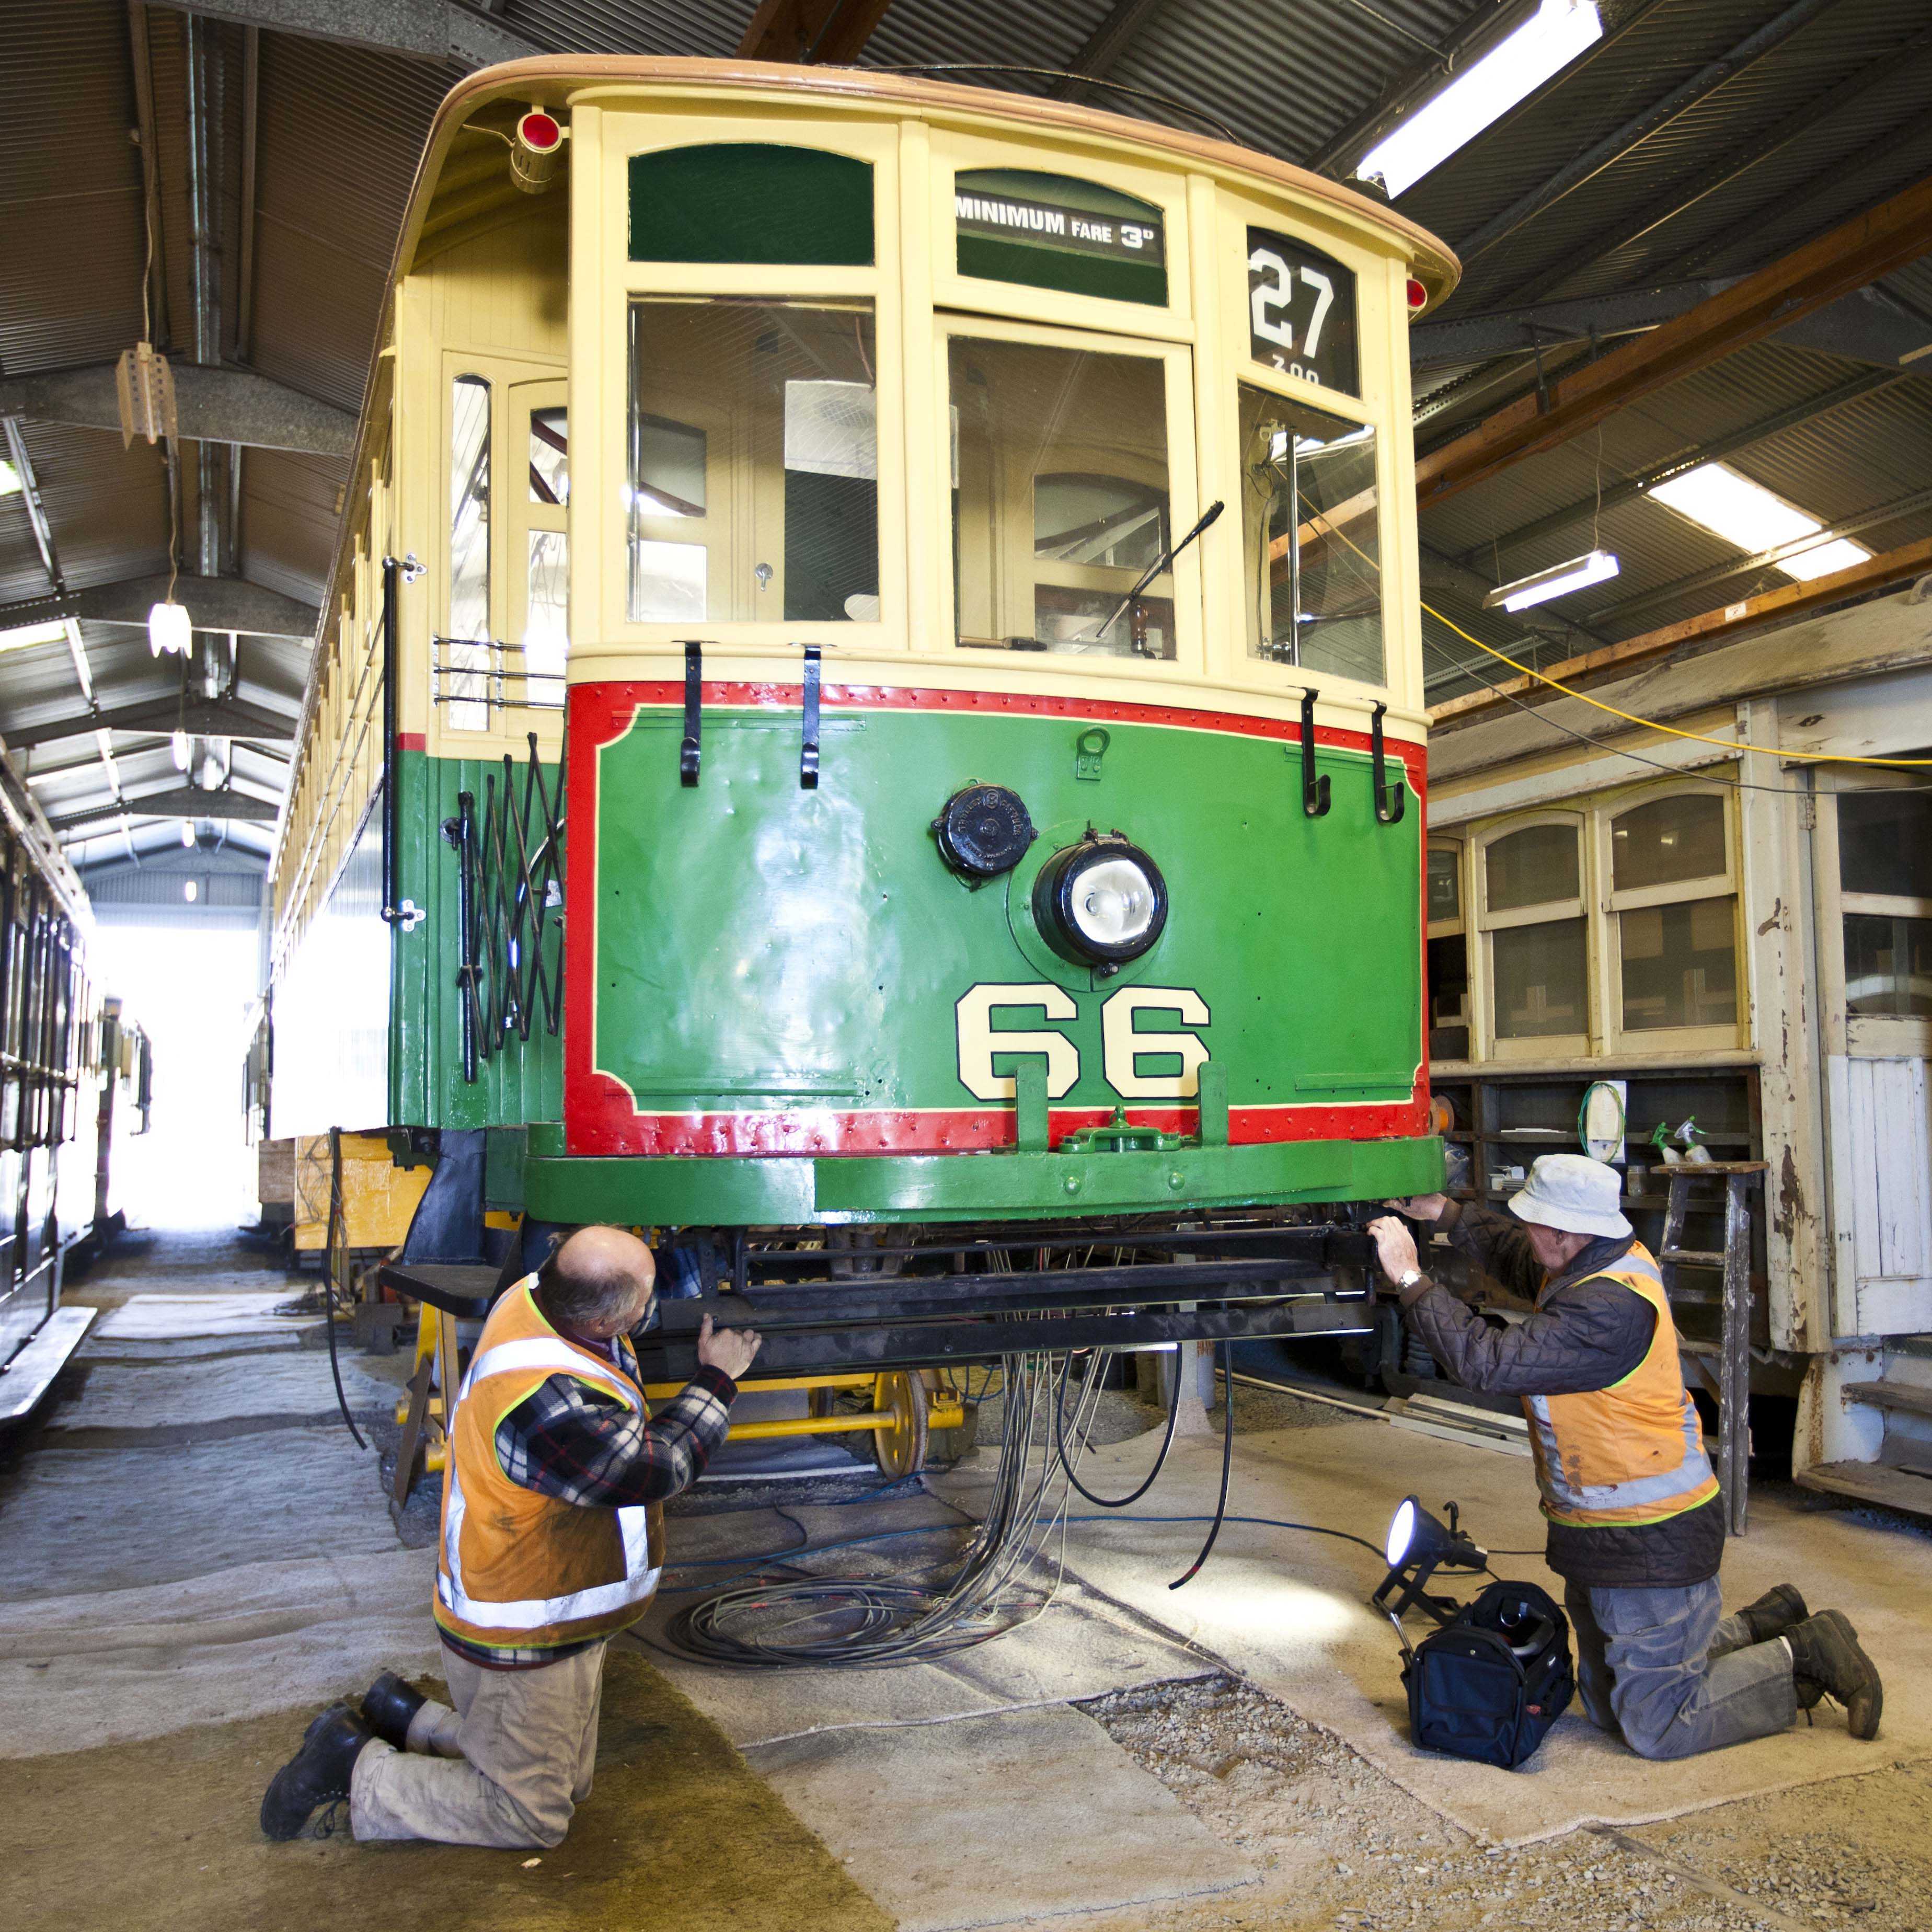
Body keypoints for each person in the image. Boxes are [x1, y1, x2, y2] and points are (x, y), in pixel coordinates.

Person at [1367, 1153, 1882, 1760]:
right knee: (1608, 1704)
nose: (1527, 1233)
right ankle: (1763, 1624)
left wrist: (1409, 1277)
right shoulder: (1591, 1258)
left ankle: (1806, 1650)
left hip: (1651, 1540)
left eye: (1535, 1222)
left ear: (1566, 1233)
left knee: (1659, 1726)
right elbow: (1515, 1250)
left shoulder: (1609, 1310)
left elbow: (1488, 1362)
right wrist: (1445, 1212)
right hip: (1600, 1536)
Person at [260, 1224, 762, 1844]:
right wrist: (719, 1379)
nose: (651, 1308)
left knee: (570, 1782)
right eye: (647, 1293)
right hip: (524, 1626)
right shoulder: (541, 1401)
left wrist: (730, 1256)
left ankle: (405, 1716)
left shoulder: (536, 1295)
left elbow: (630, 1304)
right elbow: (655, 1468)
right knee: (532, 1814)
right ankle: (353, 1767)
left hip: (567, 1604)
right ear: (615, 1316)